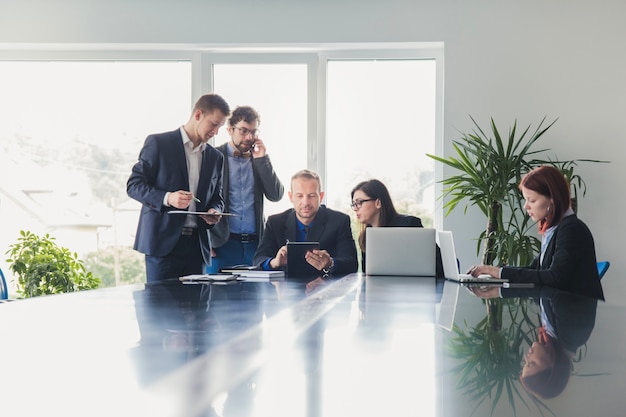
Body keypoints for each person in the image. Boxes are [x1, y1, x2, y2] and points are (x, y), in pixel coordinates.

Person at [127, 93, 231, 283]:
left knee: (199, 310)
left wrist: (215, 210)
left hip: (197, 248)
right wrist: (168, 198)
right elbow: (134, 185)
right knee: (160, 310)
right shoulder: (159, 144)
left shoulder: (216, 158)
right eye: (214, 124)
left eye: (220, 127)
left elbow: (218, 197)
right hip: (162, 247)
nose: (216, 132)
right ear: (198, 115)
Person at [467, 165, 605, 300]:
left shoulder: (572, 229)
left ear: (552, 199)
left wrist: (498, 272)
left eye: (531, 200)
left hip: (571, 316)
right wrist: (495, 273)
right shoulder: (555, 229)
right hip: (556, 315)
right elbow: (535, 270)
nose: (525, 206)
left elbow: (555, 277)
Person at [205, 105, 284, 273]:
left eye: (254, 132)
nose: (249, 137)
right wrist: (205, 240)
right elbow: (199, 198)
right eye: (243, 131)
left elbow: (276, 195)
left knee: (255, 299)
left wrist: (262, 159)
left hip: (255, 246)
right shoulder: (212, 156)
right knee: (218, 298)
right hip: (220, 246)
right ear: (229, 129)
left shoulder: (259, 160)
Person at [253, 169, 358, 275]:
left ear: (320, 197)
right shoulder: (275, 223)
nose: (305, 202)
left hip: (325, 287)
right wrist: (274, 262)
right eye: (299, 196)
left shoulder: (339, 221)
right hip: (284, 288)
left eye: (312, 196)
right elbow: (258, 260)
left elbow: (351, 263)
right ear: (291, 197)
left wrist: (330, 263)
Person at [351, 179, 444, 276]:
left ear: (378, 203)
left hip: (414, 286)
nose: (356, 208)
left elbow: (439, 265)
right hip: (379, 289)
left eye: (359, 202)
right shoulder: (365, 237)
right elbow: (367, 274)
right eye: (354, 204)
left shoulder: (409, 224)